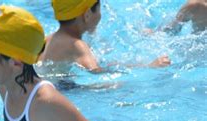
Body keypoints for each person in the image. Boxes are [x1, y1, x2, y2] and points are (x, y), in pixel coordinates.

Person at [36, 0, 171, 76]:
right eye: (99, 9)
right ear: (87, 14)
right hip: (65, 91)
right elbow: (97, 73)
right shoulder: (77, 46)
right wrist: (148, 66)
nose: (100, 15)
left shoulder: (48, 39)